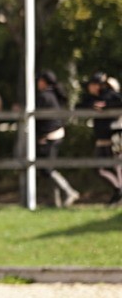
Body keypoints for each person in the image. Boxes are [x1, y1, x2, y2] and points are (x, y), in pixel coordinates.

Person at [34, 70, 79, 207]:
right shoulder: (53, 95)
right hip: (55, 134)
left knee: (47, 169)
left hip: (50, 136)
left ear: (43, 81)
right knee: (47, 169)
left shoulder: (44, 96)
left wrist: (41, 136)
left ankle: (69, 192)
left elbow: (40, 119)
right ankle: (55, 201)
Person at [85, 72, 122, 206]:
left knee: (114, 166)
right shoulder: (94, 98)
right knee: (103, 167)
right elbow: (82, 105)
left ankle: (118, 193)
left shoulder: (110, 96)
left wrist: (105, 107)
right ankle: (118, 191)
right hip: (103, 138)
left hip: (114, 137)